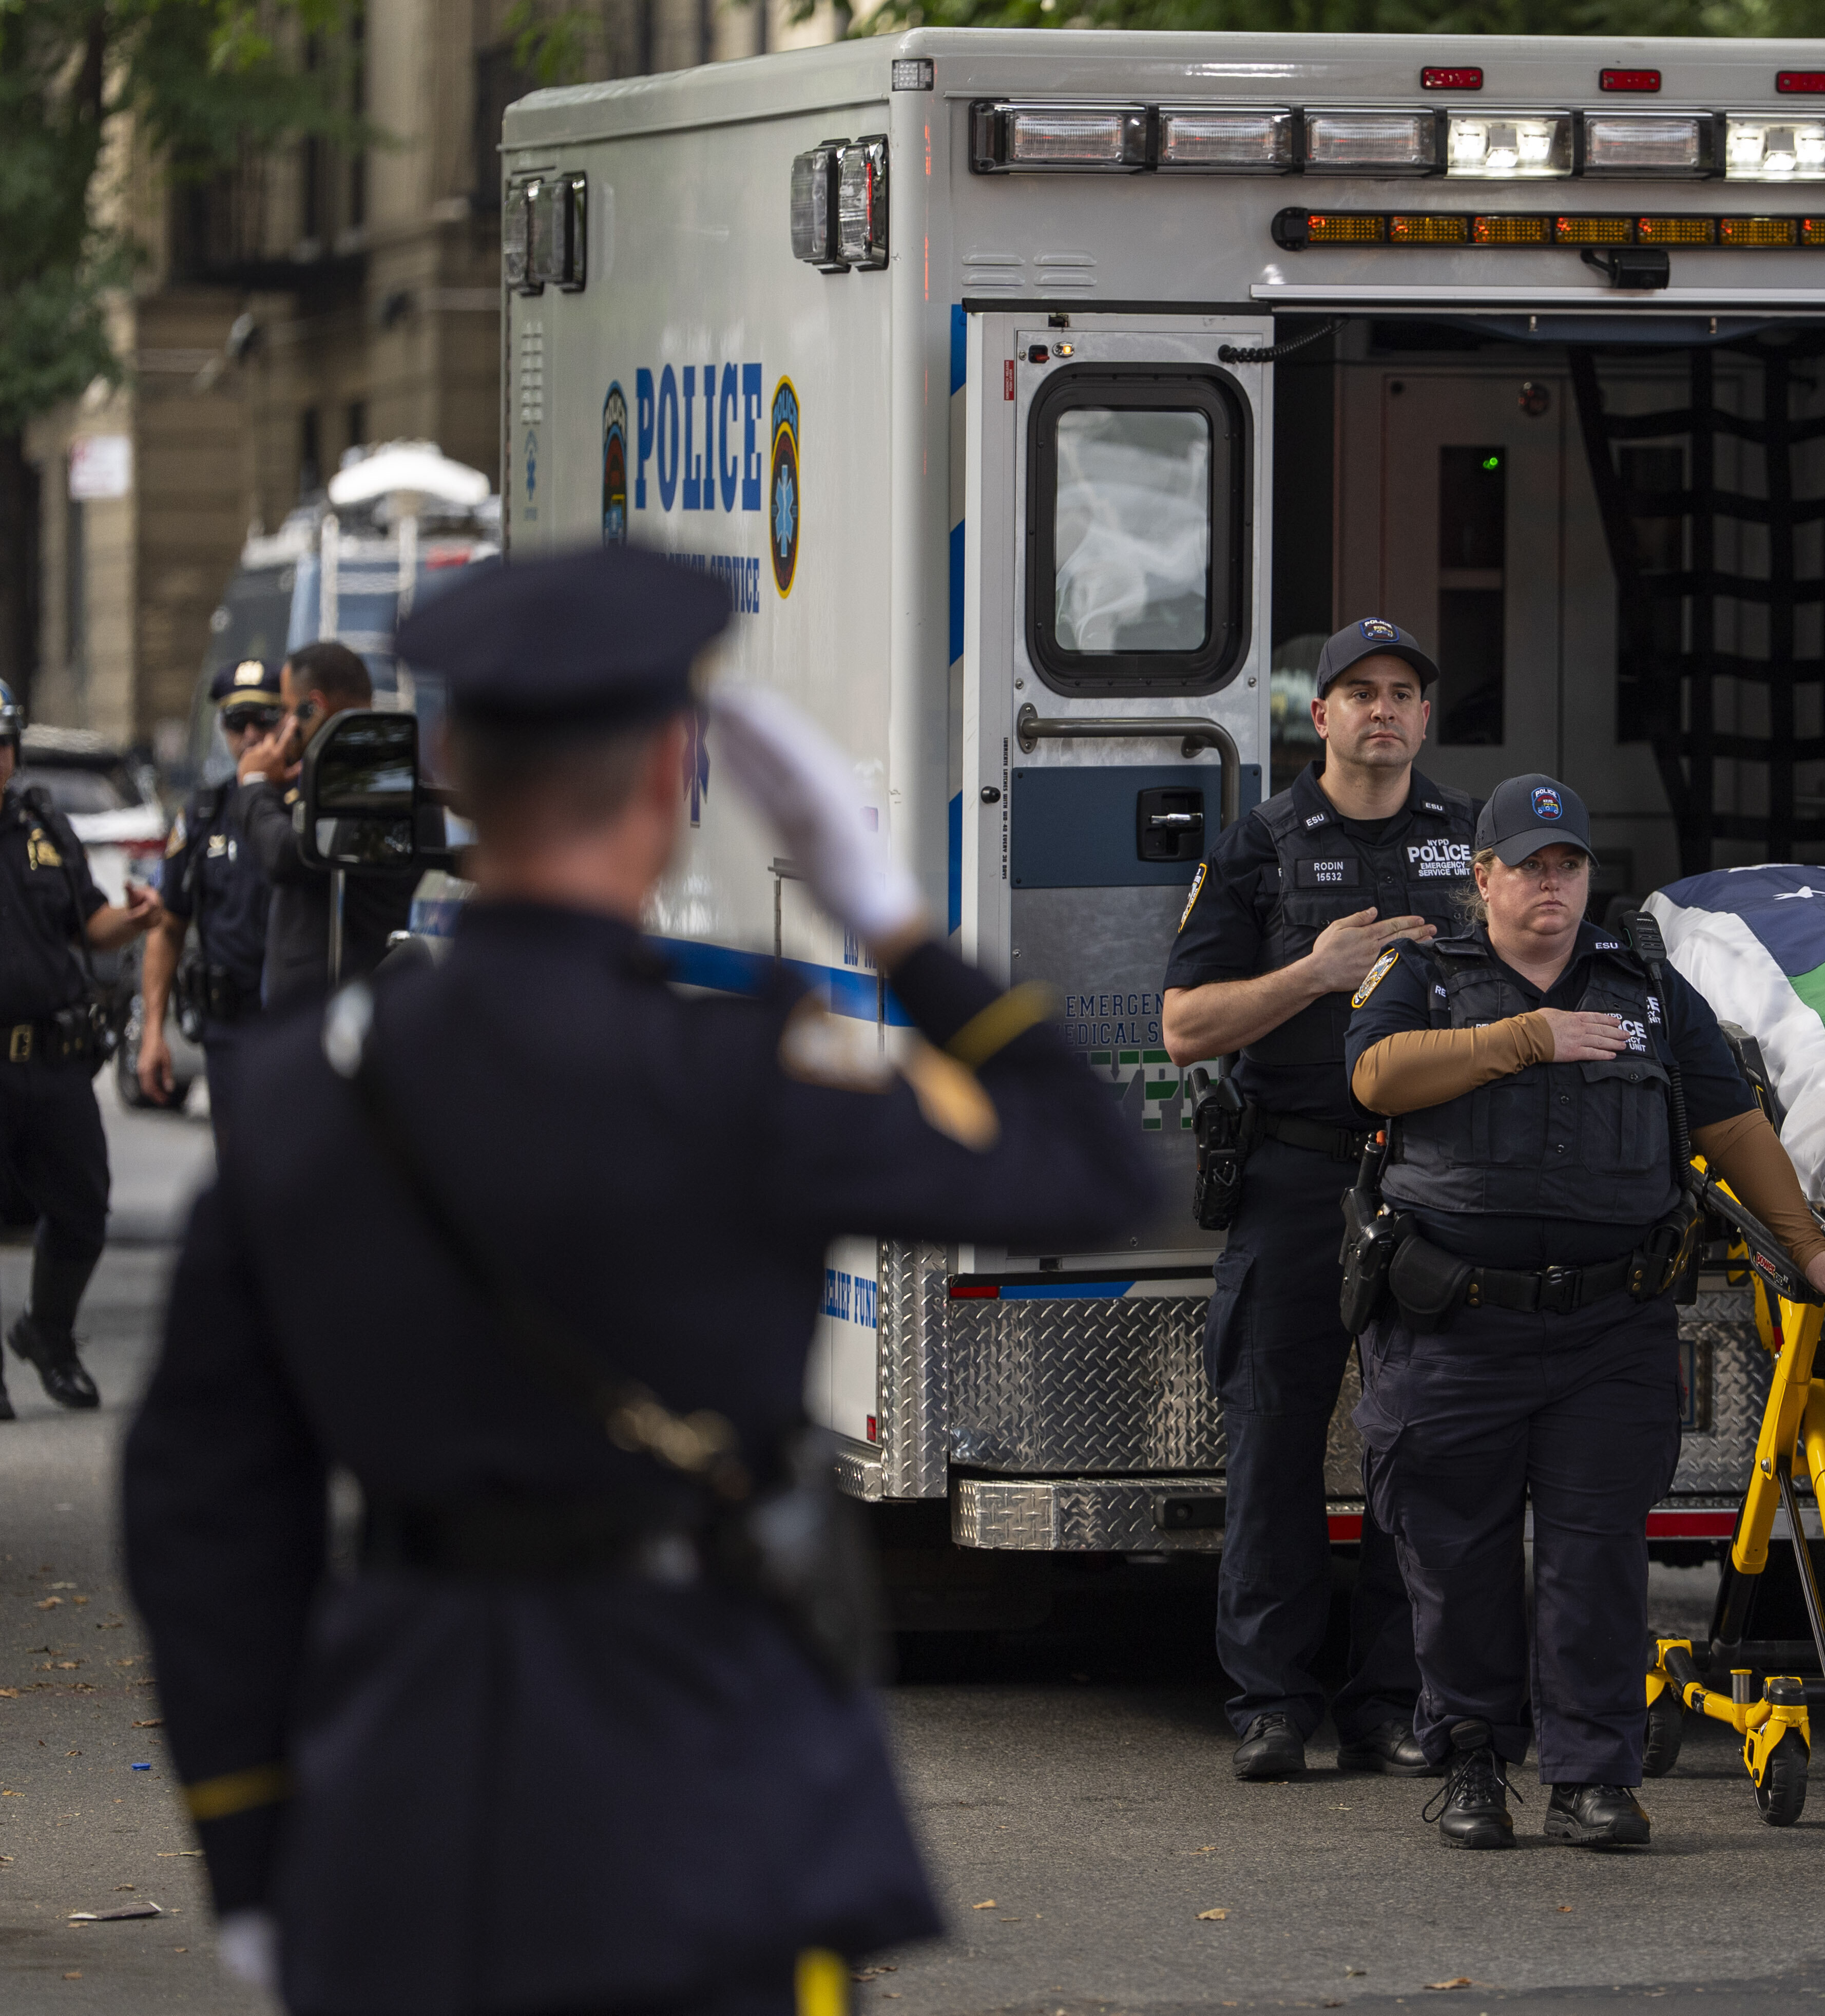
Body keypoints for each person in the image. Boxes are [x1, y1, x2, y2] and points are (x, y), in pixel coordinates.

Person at [120, 545, 1159, 2013]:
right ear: (676, 764)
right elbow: (1093, 1167)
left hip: (401, 1797)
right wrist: (895, 923)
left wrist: (248, 1843)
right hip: (702, 1778)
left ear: (453, 763)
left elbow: (203, 1508)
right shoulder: (737, 1069)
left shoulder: (306, 1090)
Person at [1345, 773, 1825, 1851]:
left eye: (1568, 863)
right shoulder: (1423, 977)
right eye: (1528, 864)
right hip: (1454, 1321)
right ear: (1481, 877)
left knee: (1597, 1559)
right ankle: (1475, 1762)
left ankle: (1593, 1775)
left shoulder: (1648, 990)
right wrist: (1528, 1037)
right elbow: (1376, 1078)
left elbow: (1730, 1125)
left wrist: (1809, 1248)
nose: (1551, 882)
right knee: (1456, 1563)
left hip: (1608, 1327)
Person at [1161, 619, 1477, 1782]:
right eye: (1359, 692)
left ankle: (1391, 1701)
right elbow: (1184, 1022)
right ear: (1320, 715)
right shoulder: (1259, 845)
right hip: (1296, 1169)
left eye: (1403, 691)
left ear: (1425, 718)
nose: (1383, 710)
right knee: (1273, 1440)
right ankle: (1271, 1703)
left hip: (1433, 1168)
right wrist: (1312, 971)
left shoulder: (1475, 844)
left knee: (1425, 1443)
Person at [0, 678, 165, 1421]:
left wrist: (135, 923)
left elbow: (88, 924)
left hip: (54, 1060)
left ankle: (49, 1333)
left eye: (2, 745)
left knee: (83, 1209)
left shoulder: (43, 825)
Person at [237, 639, 419, 1010]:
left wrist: (254, 786)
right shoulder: (368, 764)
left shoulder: (369, 766)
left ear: (314, 707)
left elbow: (288, 856)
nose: (284, 725)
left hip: (338, 1004)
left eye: (289, 710)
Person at [140, 660, 285, 1109]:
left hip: (296, 1024)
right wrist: (152, 1033)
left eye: (265, 720)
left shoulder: (306, 808)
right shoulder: (202, 815)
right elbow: (168, 927)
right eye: (238, 722)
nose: (252, 735)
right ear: (223, 727)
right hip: (229, 1030)